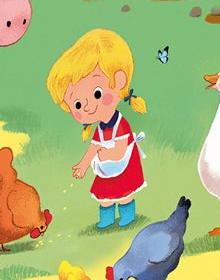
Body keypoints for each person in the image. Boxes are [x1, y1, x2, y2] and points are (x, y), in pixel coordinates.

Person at [45, 28, 148, 229]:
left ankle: (127, 215)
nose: (87, 107)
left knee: (125, 194)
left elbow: (120, 150)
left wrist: (106, 153)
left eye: (97, 94)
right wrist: (83, 165)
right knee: (105, 197)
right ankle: (107, 218)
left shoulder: (120, 124)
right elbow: (93, 148)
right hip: (106, 169)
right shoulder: (100, 128)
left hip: (123, 166)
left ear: (119, 81)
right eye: (77, 104)